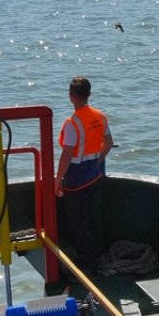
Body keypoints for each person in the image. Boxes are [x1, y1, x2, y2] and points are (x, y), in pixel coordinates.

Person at [55, 76, 113, 269]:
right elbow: (109, 143)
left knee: (79, 224)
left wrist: (57, 179)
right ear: (89, 94)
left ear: (71, 97)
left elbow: (67, 155)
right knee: (94, 219)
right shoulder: (100, 116)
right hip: (95, 175)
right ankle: (97, 257)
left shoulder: (72, 123)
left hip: (77, 179)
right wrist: (97, 161)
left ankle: (89, 265)